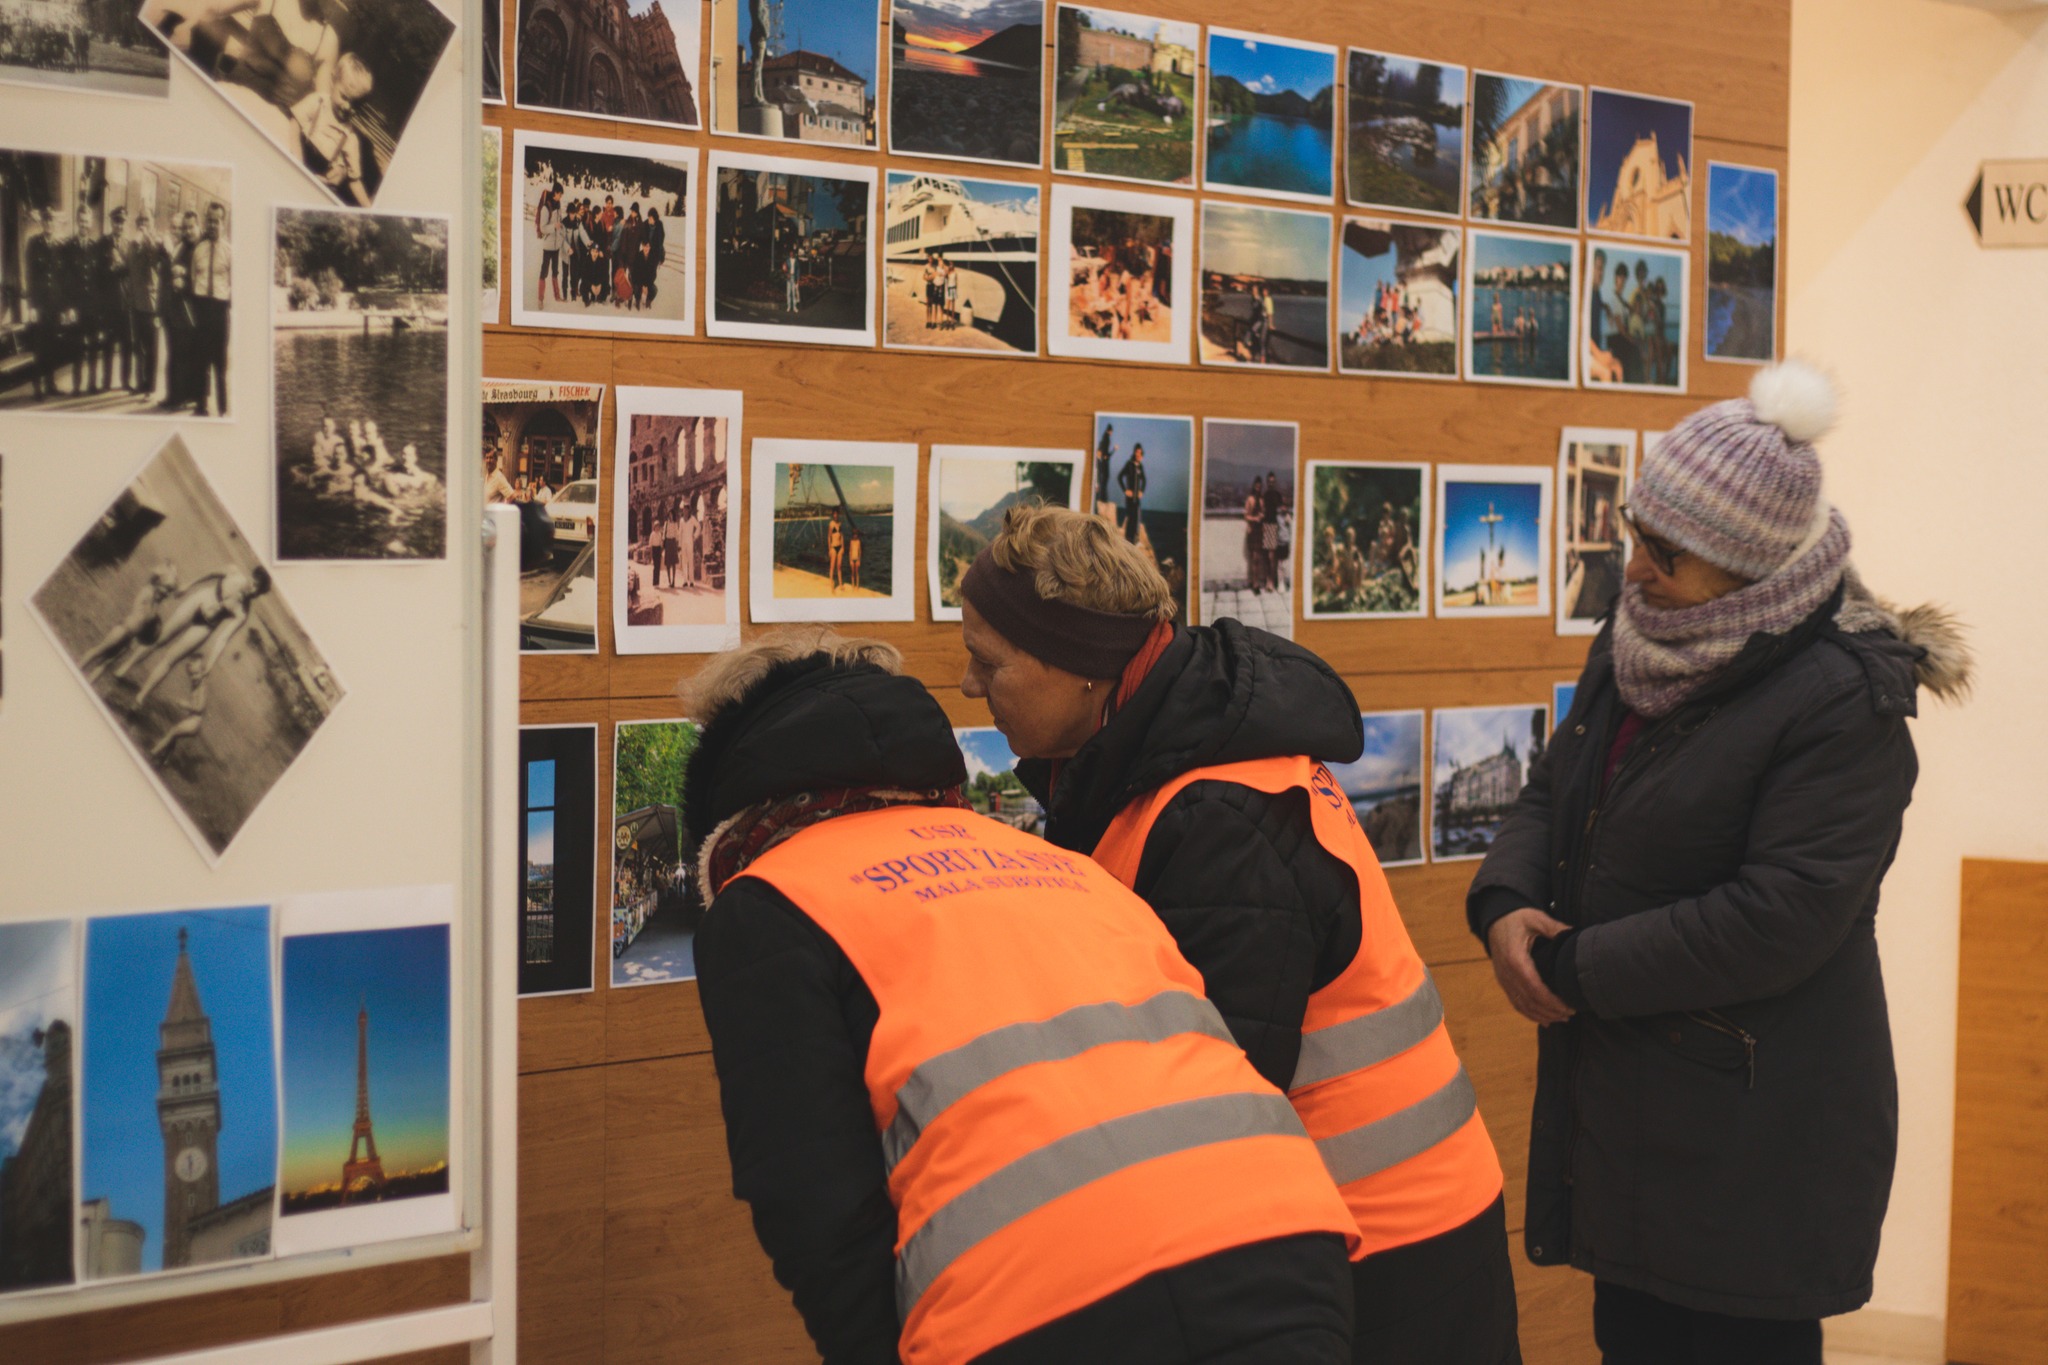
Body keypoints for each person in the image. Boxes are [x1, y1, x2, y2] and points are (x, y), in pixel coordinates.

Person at [1468, 361, 1971, 1365]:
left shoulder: (1842, 700)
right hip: (1628, 1116)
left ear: (1748, 565)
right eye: (1634, 538)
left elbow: (1777, 916)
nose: (1637, 569)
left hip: (1754, 1139)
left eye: (1665, 553)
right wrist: (1507, 898)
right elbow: (1554, 785)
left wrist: (1569, 970)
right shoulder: (1636, 636)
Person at [687, 627, 1363, 1365]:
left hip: (1044, 1300)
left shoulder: (771, 899)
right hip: (1284, 1246)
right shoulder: (1046, 858)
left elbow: (810, 1194)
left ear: (731, 771)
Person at [956, 507, 1522, 1365]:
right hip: (1339, 1228)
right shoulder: (1154, 767)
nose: (968, 684)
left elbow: (1210, 1108)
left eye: (988, 661)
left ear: (1079, 667)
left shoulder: (1221, 821)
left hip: (1386, 1248)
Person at [129, 566, 273, 708]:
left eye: (258, 591)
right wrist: (188, 585)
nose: (253, 590)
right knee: (158, 640)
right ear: (251, 576)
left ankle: (140, 697)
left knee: (171, 659)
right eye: (254, 584)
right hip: (198, 601)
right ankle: (123, 669)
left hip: (207, 624)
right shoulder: (234, 572)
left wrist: (209, 666)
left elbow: (223, 639)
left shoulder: (242, 613)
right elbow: (210, 573)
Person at [81, 563, 182, 683]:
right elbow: (151, 581)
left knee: (106, 663)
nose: (166, 593)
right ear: (158, 582)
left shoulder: (156, 604)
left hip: (130, 639)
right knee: (98, 651)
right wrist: (165, 573)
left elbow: (147, 621)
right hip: (123, 630)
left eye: (169, 591)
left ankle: (88, 683)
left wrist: (151, 630)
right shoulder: (148, 591)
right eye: (166, 588)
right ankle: (78, 667)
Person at [186, 200, 230, 417]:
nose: (212, 225)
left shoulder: (230, 252)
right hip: (202, 308)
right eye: (209, 221)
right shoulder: (199, 250)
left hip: (221, 311)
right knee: (200, 360)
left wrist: (226, 306)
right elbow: (194, 279)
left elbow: (236, 285)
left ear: (224, 223)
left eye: (217, 222)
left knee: (220, 364)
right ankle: (201, 405)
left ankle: (222, 410)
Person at [124, 211, 169, 397]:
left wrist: (150, 239)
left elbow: (159, 258)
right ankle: (140, 383)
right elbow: (129, 264)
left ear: (152, 223)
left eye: (146, 221)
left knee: (151, 348)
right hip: (135, 303)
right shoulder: (134, 243)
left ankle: (149, 387)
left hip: (150, 304)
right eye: (140, 221)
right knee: (139, 347)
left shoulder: (156, 242)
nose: (143, 224)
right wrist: (138, 241)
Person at [24, 207, 62, 401]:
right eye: (46, 221)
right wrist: (30, 306)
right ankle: (38, 387)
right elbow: (29, 276)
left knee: (52, 344)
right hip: (39, 304)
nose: (49, 224)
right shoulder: (33, 244)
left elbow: (60, 279)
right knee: (39, 347)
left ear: (55, 224)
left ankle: (51, 384)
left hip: (54, 305)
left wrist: (62, 307)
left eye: (51, 221)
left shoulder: (58, 245)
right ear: (42, 223)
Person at [535, 185, 562, 306]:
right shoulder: (546, 208)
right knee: (544, 272)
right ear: (555, 193)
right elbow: (542, 227)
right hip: (548, 246)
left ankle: (557, 296)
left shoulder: (558, 205)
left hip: (556, 246)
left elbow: (559, 222)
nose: (560, 196)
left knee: (555, 272)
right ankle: (540, 299)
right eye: (560, 194)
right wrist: (554, 227)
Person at [1118, 440, 1147, 546]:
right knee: (1130, 518)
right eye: (1137, 452)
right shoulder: (1129, 464)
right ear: (1134, 452)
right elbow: (1120, 477)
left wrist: (1141, 491)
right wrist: (1125, 490)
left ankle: (1135, 540)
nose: (1138, 454)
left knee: (1136, 518)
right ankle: (1128, 541)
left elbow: (1144, 480)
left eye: (1140, 453)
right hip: (1129, 497)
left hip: (1137, 497)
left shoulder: (1140, 466)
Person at [1243, 475, 1266, 596]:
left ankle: (1255, 582)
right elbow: (1246, 515)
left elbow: (1263, 512)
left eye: (1260, 486)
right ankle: (1254, 583)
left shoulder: (1261, 500)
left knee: (1257, 559)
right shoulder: (1250, 499)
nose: (1258, 488)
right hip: (1252, 531)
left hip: (1259, 532)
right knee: (1253, 559)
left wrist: (1261, 516)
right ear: (1254, 486)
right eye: (1257, 486)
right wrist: (1254, 519)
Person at [825, 509, 845, 590]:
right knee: (832, 566)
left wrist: (843, 547)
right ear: (833, 515)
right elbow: (829, 537)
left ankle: (840, 584)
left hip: (840, 547)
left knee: (839, 566)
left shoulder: (840, 524)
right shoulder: (831, 524)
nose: (836, 515)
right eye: (834, 514)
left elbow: (842, 536)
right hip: (833, 547)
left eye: (837, 514)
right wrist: (829, 549)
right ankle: (832, 585)